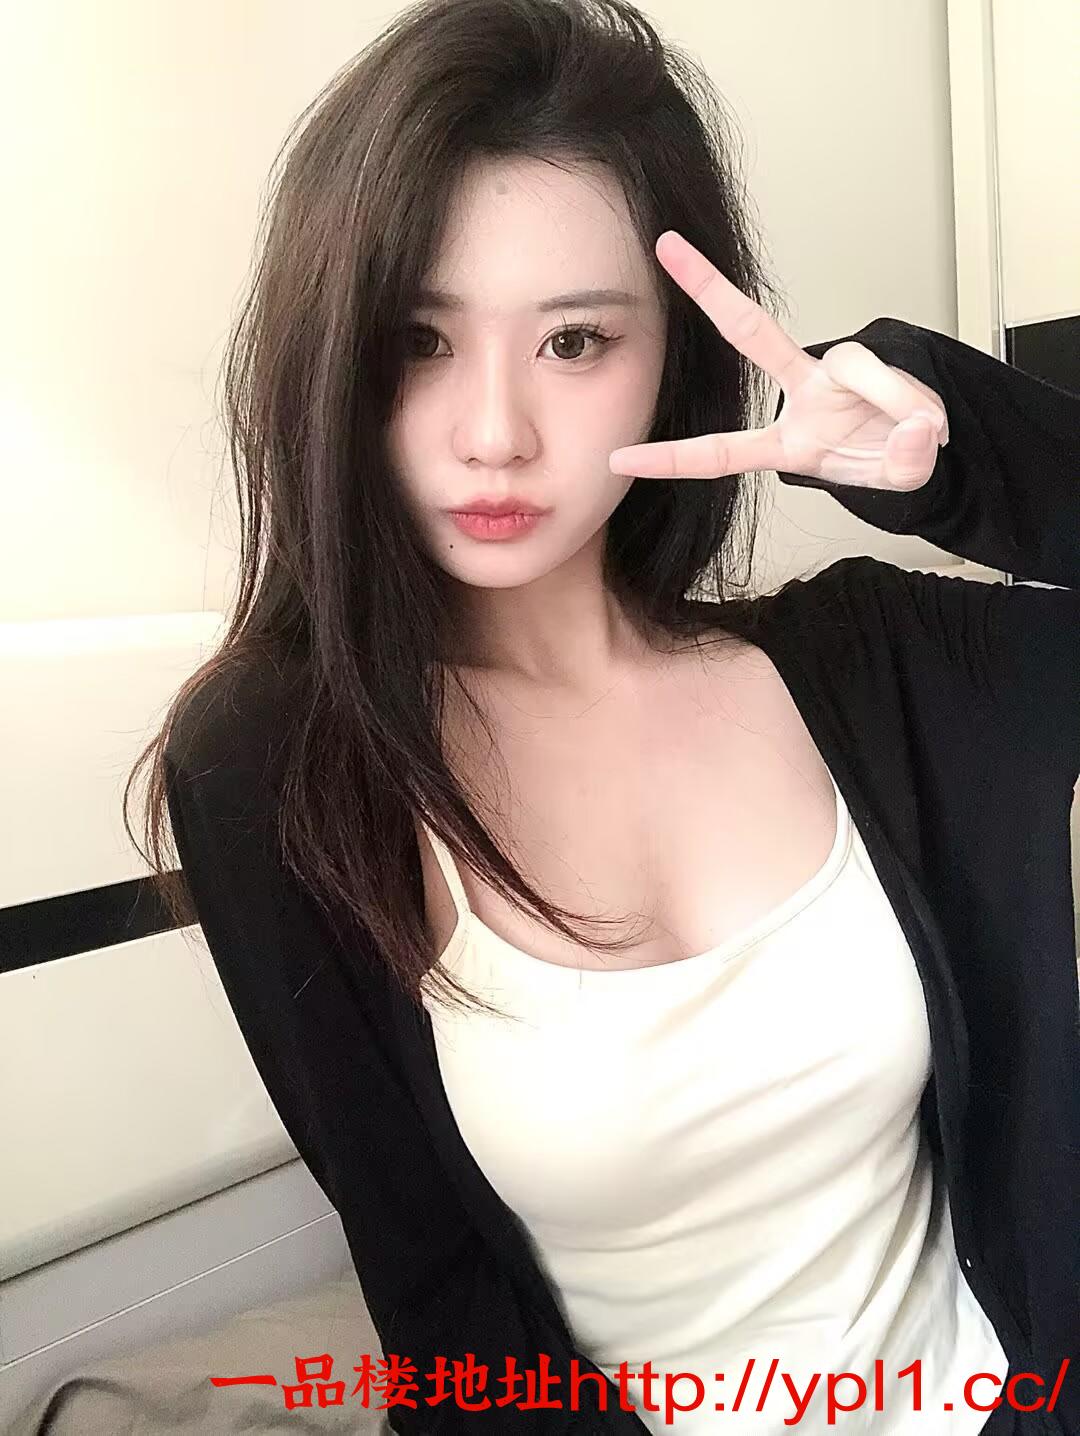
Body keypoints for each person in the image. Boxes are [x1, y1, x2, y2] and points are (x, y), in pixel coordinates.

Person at [127, 0, 1079, 1431]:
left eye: (574, 341)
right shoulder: (279, 767)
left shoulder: (879, 666)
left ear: (670, 358)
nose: (494, 432)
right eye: (417, 341)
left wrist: (963, 458)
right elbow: (438, 1291)